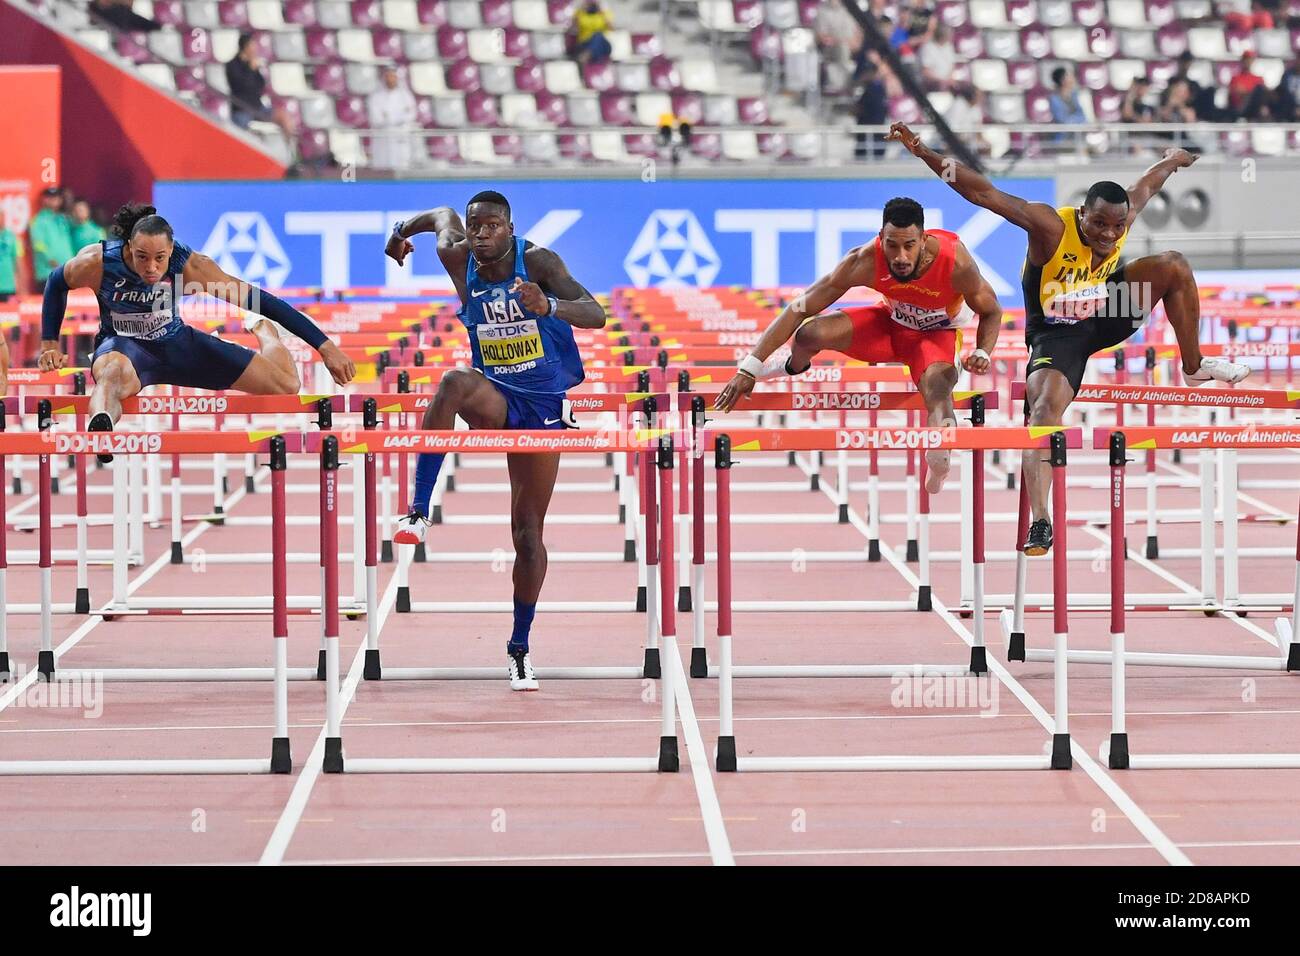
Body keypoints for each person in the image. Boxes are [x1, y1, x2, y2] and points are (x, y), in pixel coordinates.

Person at [888, 122, 1250, 555]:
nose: (1108, 236)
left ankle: (1194, 367)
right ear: (1083, 214)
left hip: (1106, 310)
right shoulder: (1050, 228)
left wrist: (1173, 159)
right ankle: (1042, 520)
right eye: (1099, 224)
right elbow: (983, 193)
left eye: (1117, 227)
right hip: (1057, 335)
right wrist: (923, 151)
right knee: (1042, 412)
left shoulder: (1120, 218)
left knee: (1172, 264)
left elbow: (1146, 185)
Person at [385, 191, 606, 691]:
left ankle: (519, 647)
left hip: (544, 406)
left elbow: (597, 315)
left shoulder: (540, 261)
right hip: (496, 396)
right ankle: (418, 512)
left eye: (490, 226)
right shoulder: (457, 256)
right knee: (452, 383)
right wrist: (400, 231)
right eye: (474, 226)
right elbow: (440, 215)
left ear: (509, 228)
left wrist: (549, 305)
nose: (480, 234)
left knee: (527, 536)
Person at [714, 196, 1004, 495]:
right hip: (888, 327)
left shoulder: (956, 262)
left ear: (923, 239)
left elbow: (992, 310)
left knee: (936, 387)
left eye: (909, 246)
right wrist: (749, 368)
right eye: (892, 245)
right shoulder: (863, 261)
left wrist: (982, 351)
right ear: (881, 238)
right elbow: (799, 307)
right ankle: (791, 367)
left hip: (936, 337)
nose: (900, 257)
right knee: (808, 334)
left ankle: (939, 458)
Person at [38, 202, 354, 463]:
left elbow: (262, 300)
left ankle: (264, 332)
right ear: (129, 247)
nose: (150, 268)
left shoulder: (193, 268)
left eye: (159, 259)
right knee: (111, 371)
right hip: (126, 349)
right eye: (142, 258)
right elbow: (56, 282)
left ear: (171, 250)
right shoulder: (99, 263)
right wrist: (50, 342)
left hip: (179, 345)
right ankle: (102, 429)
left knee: (286, 385)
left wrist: (324, 345)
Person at [367, 66, 418, 171]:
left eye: (393, 76)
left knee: (402, 164)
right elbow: (376, 118)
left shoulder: (406, 96)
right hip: (382, 138)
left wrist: (388, 116)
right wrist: (399, 116)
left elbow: (411, 115)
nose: (390, 79)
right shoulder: (375, 97)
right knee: (382, 168)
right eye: (388, 76)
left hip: (401, 136)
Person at [30, 187, 75, 291]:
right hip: (48, 272)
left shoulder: (63, 219)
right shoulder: (38, 221)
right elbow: (38, 245)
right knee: (51, 305)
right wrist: (51, 259)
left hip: (68, 271)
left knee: (70, 305)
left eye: (57, 197)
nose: (54, 200)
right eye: (50, 197)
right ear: (44, 200)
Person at [0, 221, 22, 302]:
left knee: (9, 314)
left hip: (9, 287)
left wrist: (21, 286)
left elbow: (18, 262)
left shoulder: (12, 236)